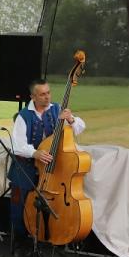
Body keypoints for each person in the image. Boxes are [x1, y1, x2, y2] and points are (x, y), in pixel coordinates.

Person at [9, 78, 85, 239]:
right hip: (25, 168)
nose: (47, 97)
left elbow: (80, 128)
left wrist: (71, 119)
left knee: (52, 204)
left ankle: (48, 237)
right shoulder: (23, 116)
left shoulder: (57, 109)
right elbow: (17, 145)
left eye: (48, 93)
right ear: (33, 97)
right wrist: (35, 153)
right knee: (20, 206)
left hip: (50, 170)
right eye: (42, 94)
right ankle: (20, 241)